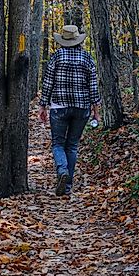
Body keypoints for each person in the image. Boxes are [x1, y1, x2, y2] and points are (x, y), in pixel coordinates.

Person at [39, 24, 101, 196]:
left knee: (58, 143)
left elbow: (48, 83)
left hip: (59, 107)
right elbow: (93, 87)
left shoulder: (57, 56)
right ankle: (67, 186)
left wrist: (43, 105)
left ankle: (62, 171)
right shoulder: (87, 58)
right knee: (72, 145)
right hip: (81, 108)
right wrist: (96, 111)